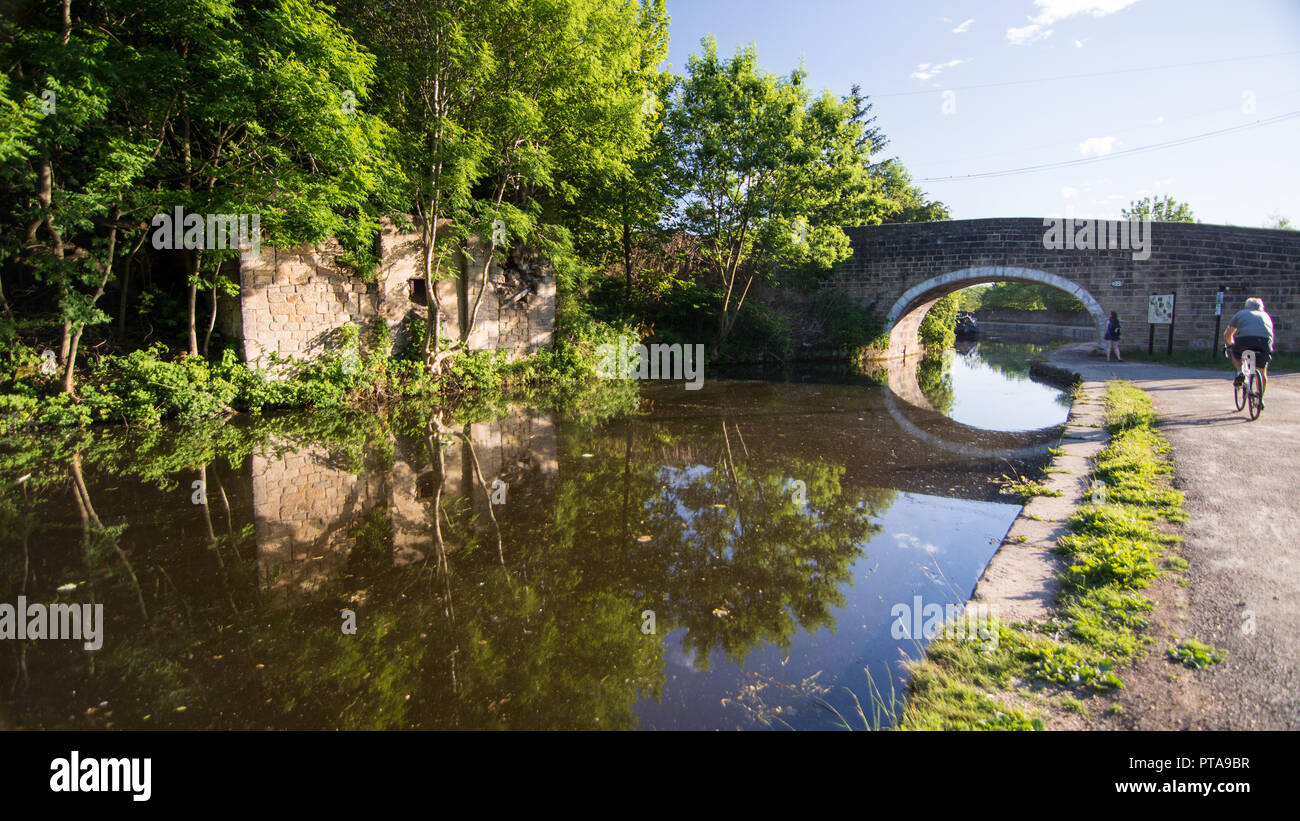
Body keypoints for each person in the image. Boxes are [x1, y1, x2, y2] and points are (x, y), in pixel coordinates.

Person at [1224, 297, 1274, 408]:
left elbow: (1228, 334)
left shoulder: (1240, 314)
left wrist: (1231, 344)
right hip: (1264, 343)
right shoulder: (1266, 316)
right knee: (1261, 372)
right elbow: (1270, 334)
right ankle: (1260, 398)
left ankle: (1240, 373)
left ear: (1247, 306)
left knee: (1235, 353)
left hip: (1244, 341)